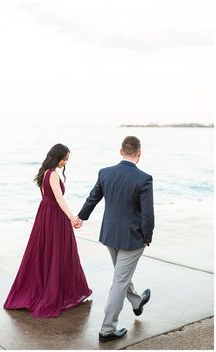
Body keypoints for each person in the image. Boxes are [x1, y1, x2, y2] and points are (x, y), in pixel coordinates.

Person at [76, 136, 154, 342]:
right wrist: (147, 237)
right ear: (139, 153)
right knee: (120, 280)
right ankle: (107, 330)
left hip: (110, 235)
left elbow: (93, 198)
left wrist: (81, 217)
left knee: (121, 274)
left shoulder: (105, 173)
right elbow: (148, 214)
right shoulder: (144, 178)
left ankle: (137, 302)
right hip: (132, 239)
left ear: (121, 151)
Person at [4, 144, 92, 318]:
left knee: (46, 254)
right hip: (55, 217)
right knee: (61, 254)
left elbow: (46, 198)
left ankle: (48, 288)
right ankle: (58, 293)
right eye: (64, 158)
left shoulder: (44, 173)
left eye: (67, 159)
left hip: (44, 216)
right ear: (57, 156)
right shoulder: (52, 175)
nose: (65, 162)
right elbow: (59, 199)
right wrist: (72, 217)